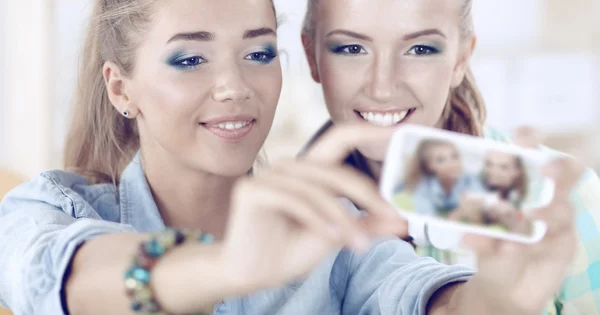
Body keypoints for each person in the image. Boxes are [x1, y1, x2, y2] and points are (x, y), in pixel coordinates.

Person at [2, 0, 564, 315]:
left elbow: (413, 292)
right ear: (121, 88)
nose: (234, 86)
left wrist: (493, 299)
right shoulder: (50, 209)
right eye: (190, 59)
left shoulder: (327, 230)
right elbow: (61, 279)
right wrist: (221, 269)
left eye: (258, 52)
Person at [300, 0, 598, 313]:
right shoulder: (280, 227)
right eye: (351, 49)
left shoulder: (560, 205)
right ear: (312, 56)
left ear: (460, 58)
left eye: (420, 49)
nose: (382, 88)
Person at [402, 139, 484, 217]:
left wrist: (463, 210)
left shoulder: (469, 180)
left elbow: (482, 202)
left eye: (454, 156)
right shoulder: (423, 187)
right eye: (440, 160)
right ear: (430, 166)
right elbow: (427, 215)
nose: (452, 164)